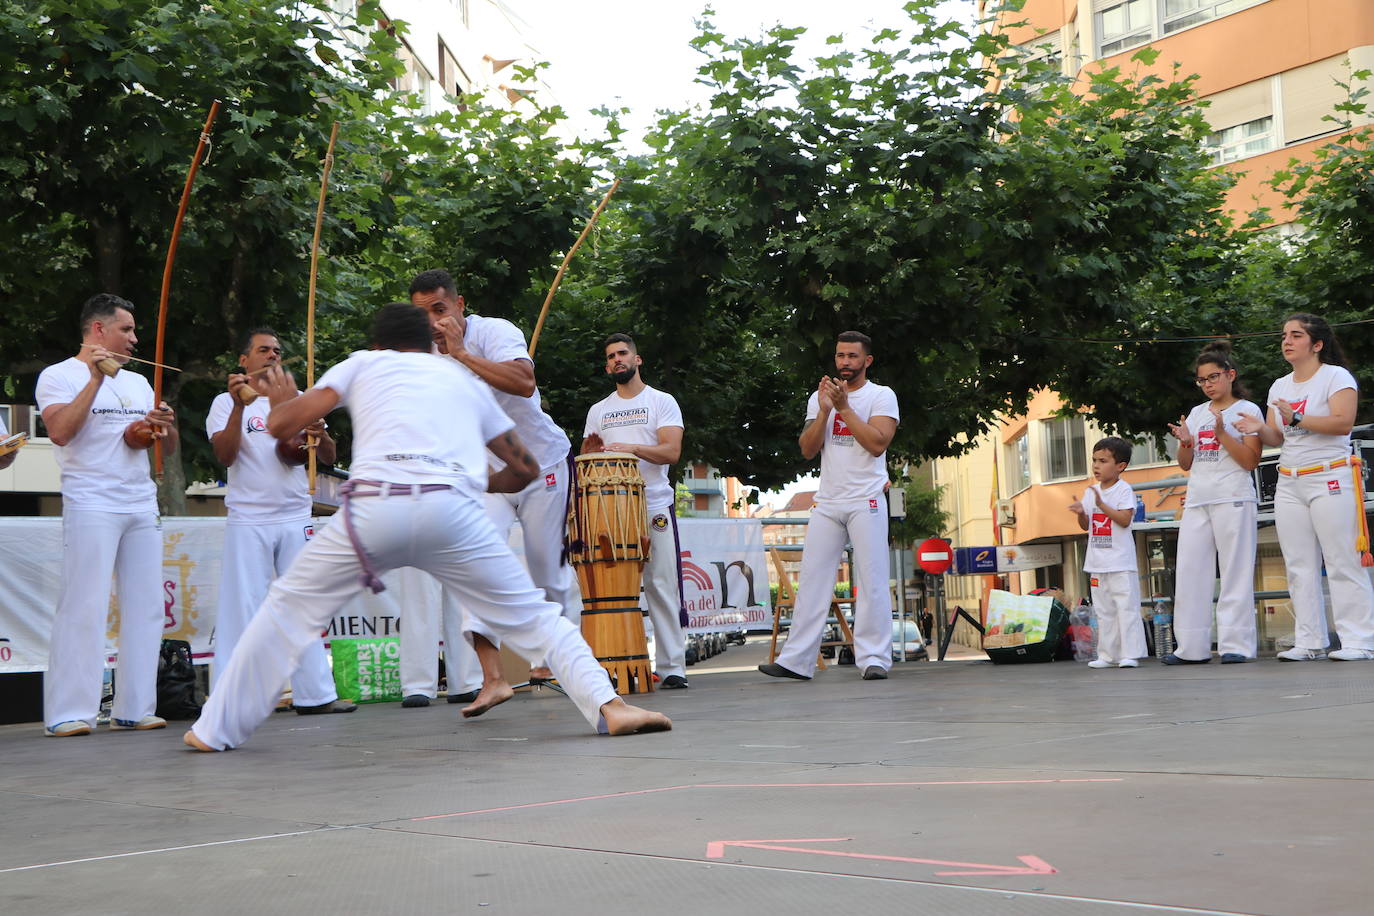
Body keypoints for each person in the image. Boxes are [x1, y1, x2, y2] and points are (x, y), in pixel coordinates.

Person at [185, 303, 670, 750]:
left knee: (285, 612)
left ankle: (215, 729)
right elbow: (522, 468)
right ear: (432, 344)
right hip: (452, 510)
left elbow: (281, 426)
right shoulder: (463, 382)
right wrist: (478, 479)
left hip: (375, 509)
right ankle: (610, 706)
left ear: (378, 345)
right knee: (536, 615)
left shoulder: (360, 364)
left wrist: (280, 398)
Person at [405, 268, 582, 711]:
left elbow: (524, 383)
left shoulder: (495, 331)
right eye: (422, 314)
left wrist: (462, 354)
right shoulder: (422, 358)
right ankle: (493, 677)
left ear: (460, 306)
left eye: (440, 310)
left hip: (541, 465)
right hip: (486, 477)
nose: (433, 322)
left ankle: (555, 663)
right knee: (476, 564)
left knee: (548, 575)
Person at [36, 293, 178, 737]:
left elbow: (153, 446)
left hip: (139, 501)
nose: (135, 339)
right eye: (126, 330)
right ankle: (68, 711)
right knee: (85, 604)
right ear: (98, 330)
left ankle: (135, 706)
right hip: (91, 501)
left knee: (147, 606)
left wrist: (160, 426)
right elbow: (60, 431)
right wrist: (95, 379)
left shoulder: (137, 383)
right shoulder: (58, 375)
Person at [205, 328, 355, 715]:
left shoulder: (299, 400)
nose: (272, 355)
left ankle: (315, 694)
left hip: (294, 515)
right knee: (243, 607)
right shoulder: (224, 402)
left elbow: (328, 457)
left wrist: (319, 433)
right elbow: (224, 455)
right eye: (262, 350)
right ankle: (231, 698)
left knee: (303, 603)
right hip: (249, 517)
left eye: (277, 349)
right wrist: (240, 406)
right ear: (245, 360)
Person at [758, 331, 900, 682]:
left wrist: (844, 409)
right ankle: (796, 661)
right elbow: (807, 449)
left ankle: (873, 659)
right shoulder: (819, 398)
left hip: (865, 499)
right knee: (811, 580)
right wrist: (823, 413)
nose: (845, 363)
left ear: (867, 361)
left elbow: (877, 443)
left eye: (852, 356)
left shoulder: (881, 396)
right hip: (827, 502)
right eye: (840, 356)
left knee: (873, 581)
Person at [1235, 313, 1374, 660]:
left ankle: (1359, 639)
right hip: (1290, 479)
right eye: (1284, 335)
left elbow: (1343, 423)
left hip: (1330, 475)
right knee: (1298, 563)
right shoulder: (1280, 386)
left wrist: (1296, 416)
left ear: (1317, 344)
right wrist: (1256, 427)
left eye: (1296, 335)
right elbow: (1275, 436)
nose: (1287, 341)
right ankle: (1310, 640)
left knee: (1342, 559)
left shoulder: (1335, 376)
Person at [581, 333, 688, 688]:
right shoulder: (599, 410)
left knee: (659, 583)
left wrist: (630, 448)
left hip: (653, 503)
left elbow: (671, 452)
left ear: (637, 359)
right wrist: (593, 451)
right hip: (610, 508)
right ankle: (620, 666)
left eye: (623, 353)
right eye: (611, 356)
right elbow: (587, 459)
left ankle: (673, 667)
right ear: (606, 365)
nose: (617, 359)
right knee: (616, 589)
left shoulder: (662, 401)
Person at [1164, 341, 1263, 664]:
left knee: (1235, 572)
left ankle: (1237, 644)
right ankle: (1191, 648)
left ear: (1230, 375)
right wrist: (1186, 442)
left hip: (1233, 497)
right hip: (1198, 500)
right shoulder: (1195, 413)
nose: (1208, 385)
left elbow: (1250, 460)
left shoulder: (1248, 411)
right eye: (1202, 380)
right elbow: (1185, 463)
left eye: (1213, 377)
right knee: (1191, 572)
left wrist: (1223, 435)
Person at [1068, 437, 1147, 669]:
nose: (1096, 466)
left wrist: (1101, 505)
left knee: (1126, 608)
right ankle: (1107, 655)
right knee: (1104, 610)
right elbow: (1085, 526)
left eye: (1103, 461)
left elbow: (1124, 520)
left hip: (1121, 562)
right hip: (1096, 562)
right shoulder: (1090, 491)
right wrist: (1081, 512)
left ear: (1120, 466)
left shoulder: (1124, 489)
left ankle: (1130, 654)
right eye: (1094, 460)